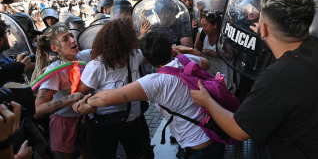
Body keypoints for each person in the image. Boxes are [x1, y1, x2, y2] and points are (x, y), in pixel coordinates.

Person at [190, 0, 318, 159]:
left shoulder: (277, 78)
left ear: (265, 29)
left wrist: (207, 101)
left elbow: (238, 130)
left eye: (260, 18)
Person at [74, 31, 225, 159]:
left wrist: (87, 102)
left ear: (147, 60)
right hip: (215, 135)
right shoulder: (186, 61)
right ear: (171, 51)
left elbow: (107, 98)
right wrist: (185, 53)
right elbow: (206, 64)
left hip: (197, 149)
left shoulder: (153, 83)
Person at [74, 19, 146, 159]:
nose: (124, 59)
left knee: (137, 154)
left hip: (131, 122)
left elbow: (153, 56)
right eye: (122, 52)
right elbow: (78, 93)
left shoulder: (134, 55)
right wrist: (83, 106)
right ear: (115, 46)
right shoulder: (96, 66)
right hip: (103, 125)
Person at [33, 24, 92, 159]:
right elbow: (38, 109)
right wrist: (72, 98)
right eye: (65, 39)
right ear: (54, 48)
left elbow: (107, 49)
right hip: (64, 123)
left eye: (71, 35)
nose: (73, 40)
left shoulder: (85, 57)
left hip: (87, 118)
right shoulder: (53, 71)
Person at [194, 11, 233, 89]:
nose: (203, 28)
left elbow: (231, 56)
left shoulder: (224, 36)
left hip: (224, 73)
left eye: (205, 26)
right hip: (208, 73)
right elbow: (196, 48)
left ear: (215, 25)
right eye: (202, 25)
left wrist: (215, 54)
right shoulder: (202, 33)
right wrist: (198, 53)